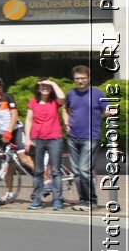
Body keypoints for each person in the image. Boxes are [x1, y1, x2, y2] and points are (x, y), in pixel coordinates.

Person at [64, 66, 108, 209]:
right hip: (73, 137)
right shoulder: (71, 94)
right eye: (77, 78)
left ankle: (92, 201)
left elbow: (109, 109)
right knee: (76, 172)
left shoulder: (97, 94)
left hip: (91, 137)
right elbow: (64, 108)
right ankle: (83, 200)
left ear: (89, 78)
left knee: (84, 169)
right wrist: (66, 122)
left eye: (83, 78)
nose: (80, 81)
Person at [0, 76, 32, 203]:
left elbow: (15, 114)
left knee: (23, 158)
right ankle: (9, 192)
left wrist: (9, 131)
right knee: (7, 163)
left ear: (0, 87)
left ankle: (44, 180)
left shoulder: (8, 97)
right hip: (0, 134)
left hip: (14, 130)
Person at [24, 78, 69, 211]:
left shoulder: (55, 102)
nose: (45, 88)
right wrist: (27, 138)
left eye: (47, 86)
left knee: (55, 171)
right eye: (42, 86)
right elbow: (29, 120)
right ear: (38, 88)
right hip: (38, 139)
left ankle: (57, 200)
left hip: (54, 139)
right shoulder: (33, 102)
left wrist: (53, 83)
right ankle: (37, 200)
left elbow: (62, 97)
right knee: (38, 171)